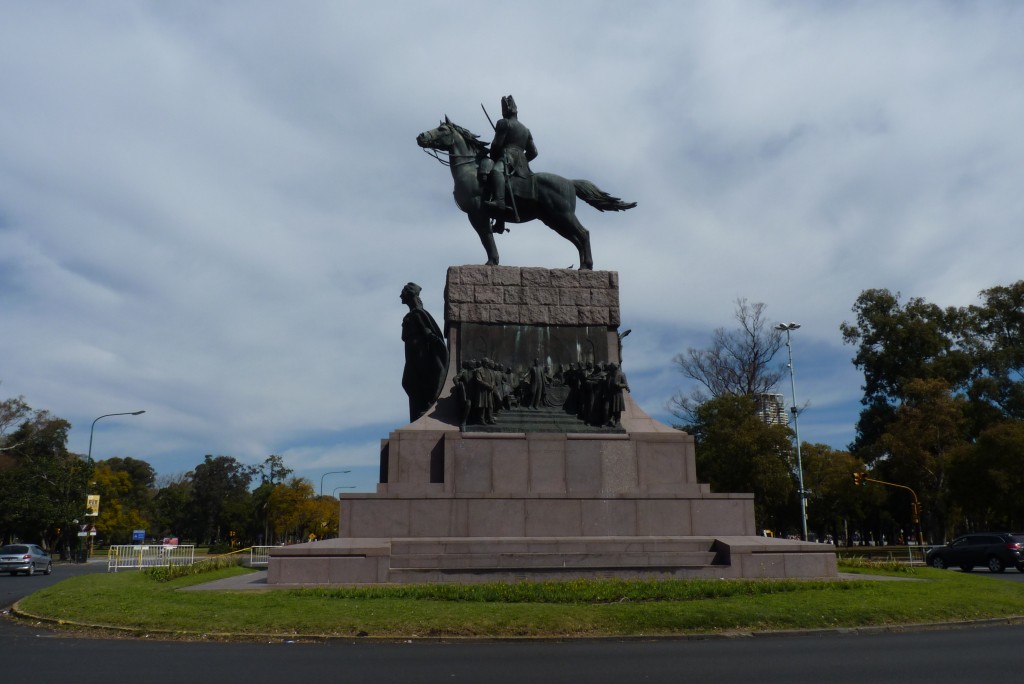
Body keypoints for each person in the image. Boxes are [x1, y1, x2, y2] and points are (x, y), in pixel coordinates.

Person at [400, 282, 448, 422]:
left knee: (411, 382)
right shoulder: (413, 313)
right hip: (411, 355)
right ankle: (418, 414)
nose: (400, 296)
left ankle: (427, 407)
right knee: (409, 382)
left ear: (409, 294)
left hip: (419, 354)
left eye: (402, 293)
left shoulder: (418, 313)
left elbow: (428, 333)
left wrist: (433, 342)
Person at [484, 95, 538, 214]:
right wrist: (522, 162)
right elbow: (534, 152)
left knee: (496, 171)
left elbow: (496, 145)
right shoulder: (526, 130)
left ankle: (500, 202)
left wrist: (493, 157)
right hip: (522, 164)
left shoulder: (503, 123)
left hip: (507, 157)